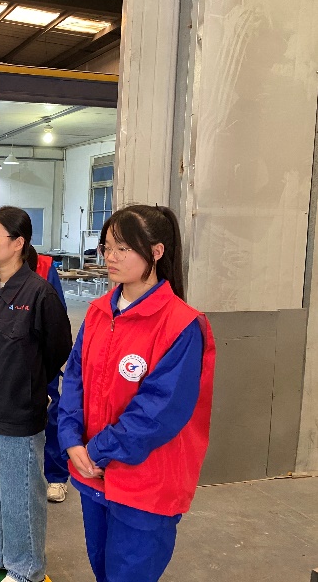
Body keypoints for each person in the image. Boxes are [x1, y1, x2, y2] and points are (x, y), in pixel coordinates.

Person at [58, 204, 216, 582]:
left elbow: (158, 413)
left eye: (123, 248)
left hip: (146, 485)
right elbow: (75, 380)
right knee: (102, 569)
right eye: (107, 247)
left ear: (156, 252)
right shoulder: (99, 312)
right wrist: (70, 439)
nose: (110, 257)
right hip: (94, 476)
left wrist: (95, 451)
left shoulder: (181, 325)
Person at [0, 207, 73, 582]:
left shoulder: (39, 292)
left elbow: (59, 348)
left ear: (18, 243)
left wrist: (31, 383)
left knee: (21, 494)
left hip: (19, 410)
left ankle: (26, 565)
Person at [0, 245, 71, 504]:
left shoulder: (44, 267)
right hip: (6, 363)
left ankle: (56, 476)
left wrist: (43, 369)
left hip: (38, 359)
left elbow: (57, 323)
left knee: (50, 414)